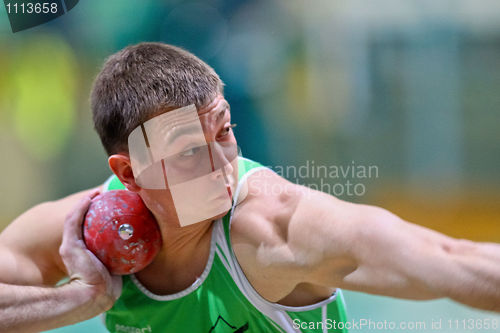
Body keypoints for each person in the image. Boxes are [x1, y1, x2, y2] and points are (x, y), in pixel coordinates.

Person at [0, 43, 499, 333]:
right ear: (129, 174)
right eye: (190, 150)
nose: (222, 165)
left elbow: (451, 259)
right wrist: (78, 302)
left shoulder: (275, 230)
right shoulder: (89, 232)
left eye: (224, 131)